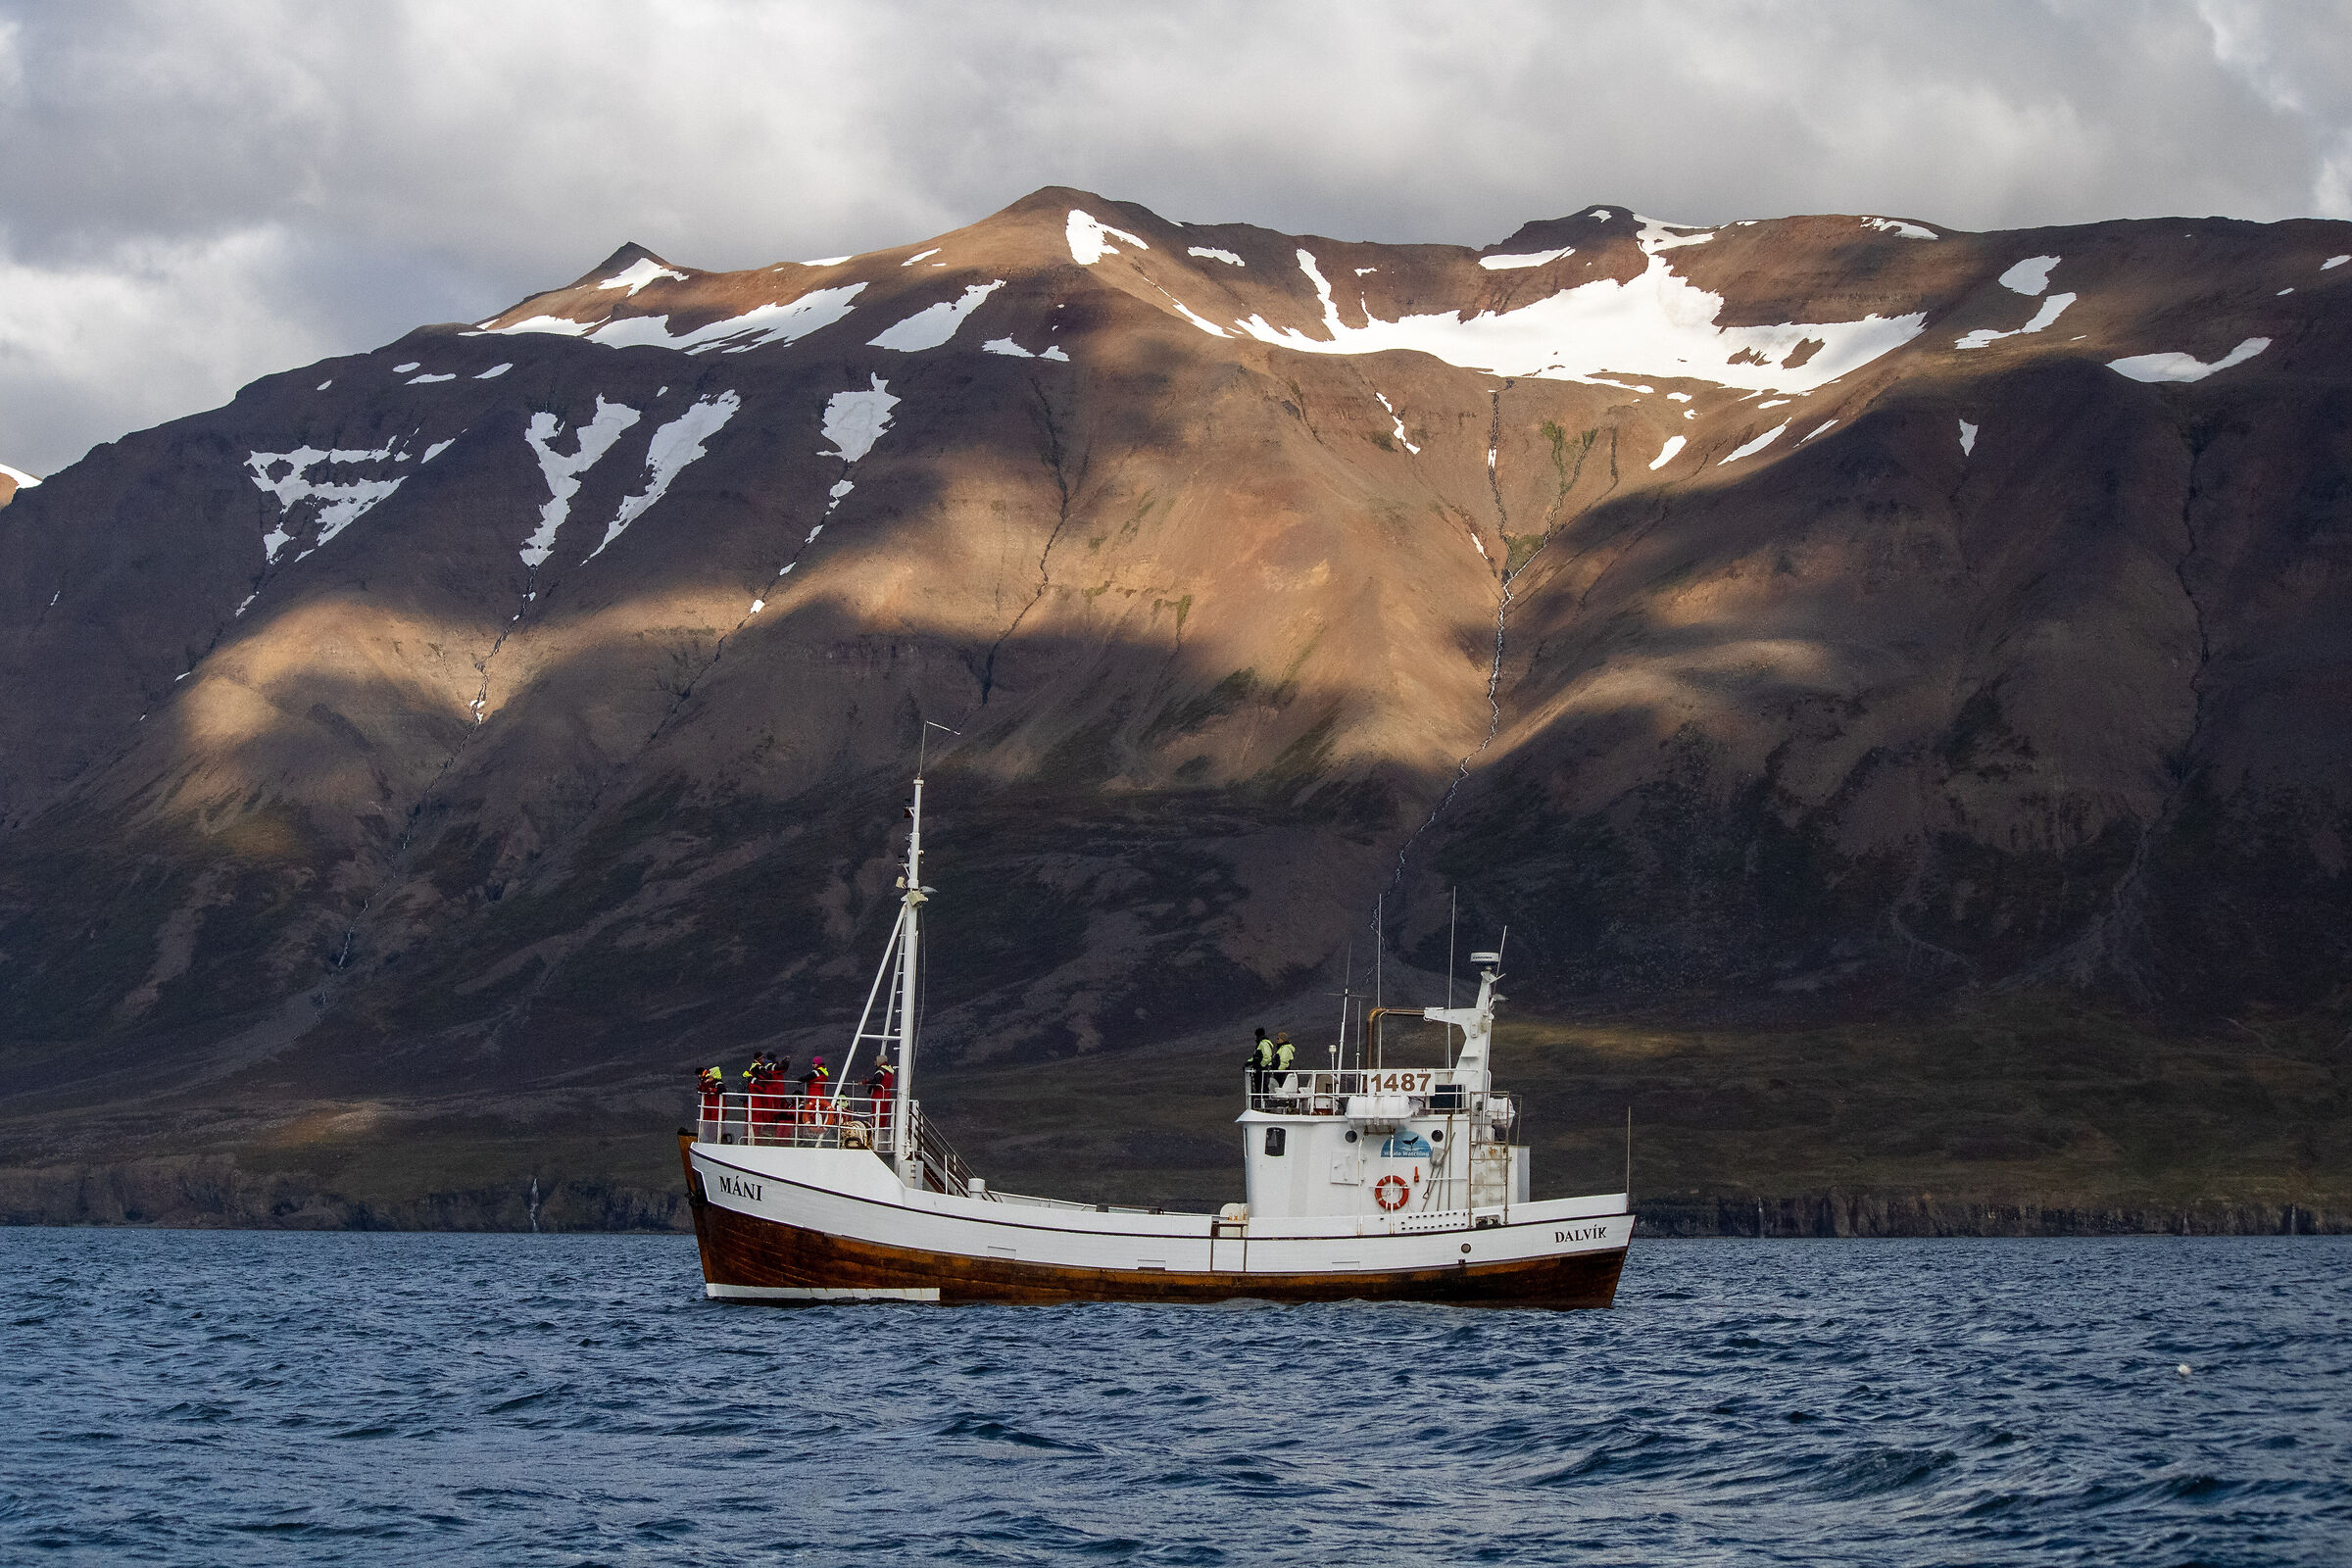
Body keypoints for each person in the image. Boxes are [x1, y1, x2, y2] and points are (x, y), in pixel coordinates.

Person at [1248, 1027, 1274, 1107]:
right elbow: (1257, 1057)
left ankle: (1265, 1106)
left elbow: (1267, 1057)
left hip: (1263, 1070)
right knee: (1259, 1087)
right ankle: (1261, 1105)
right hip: (1259, 1070)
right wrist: (1249, 1062)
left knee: (1263, 1087)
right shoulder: (1260, 1044)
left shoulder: (1263, 1044)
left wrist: (1261, 1066)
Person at [1272, 1032, 1298, 1103]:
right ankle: (1282, 1102)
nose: (1277, 1040)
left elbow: (1284, 1061)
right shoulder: (1281, 1048)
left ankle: (1282, 1103)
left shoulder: (1285, 1048)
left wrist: (1279, 1071)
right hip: (1280, 1073)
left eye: (1278, 1038)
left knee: (1281, 1087)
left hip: (1281, 1074)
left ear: (1282, 1039)